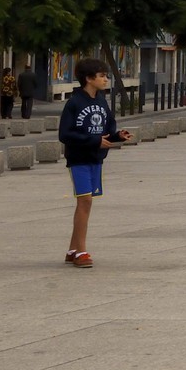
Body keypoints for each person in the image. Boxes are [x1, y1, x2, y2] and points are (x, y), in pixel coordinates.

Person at [58, 58, 133, 269]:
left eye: (105, 76)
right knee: (85, 202)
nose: (105, 80)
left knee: (86, 203)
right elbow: (65, 134)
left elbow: (107, 129)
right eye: (102, 76)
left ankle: (73, 249)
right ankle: (81, 252)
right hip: (79, 159)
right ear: (89, 79)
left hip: (96, 159)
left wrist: (119, 136)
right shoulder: (74, 103)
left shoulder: (101, 102)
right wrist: (94, 141)